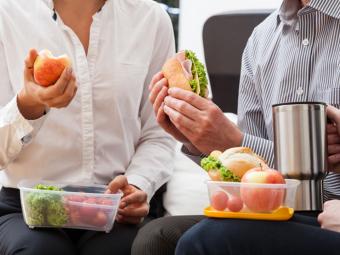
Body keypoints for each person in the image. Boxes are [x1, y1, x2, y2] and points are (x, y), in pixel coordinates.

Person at [131, 0, 340, 254]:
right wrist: (202, 141)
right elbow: (251, 182)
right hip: (279, 213)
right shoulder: (261, 41)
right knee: (156, 238)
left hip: (332, 212)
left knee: (208, 239)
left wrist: (230, 141)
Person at [0, 0, 175, 254]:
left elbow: (160, 132)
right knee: (40, 250)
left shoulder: (151, 19)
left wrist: (138, 184)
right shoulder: (7, 13)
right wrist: (27, 105)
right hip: (27, 207)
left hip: (114, 208)